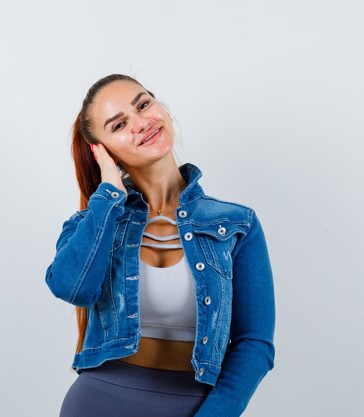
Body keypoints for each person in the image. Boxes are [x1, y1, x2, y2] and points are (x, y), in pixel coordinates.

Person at [44, 73, 276, 417]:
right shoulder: (91, 223)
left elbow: (254, 343)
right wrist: (108, 194)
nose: (141, 123)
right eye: (119, 124)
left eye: (143, 104)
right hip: (96, 404)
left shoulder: (237, 223)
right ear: (102, 151)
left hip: (194, 407)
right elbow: (73, 288)